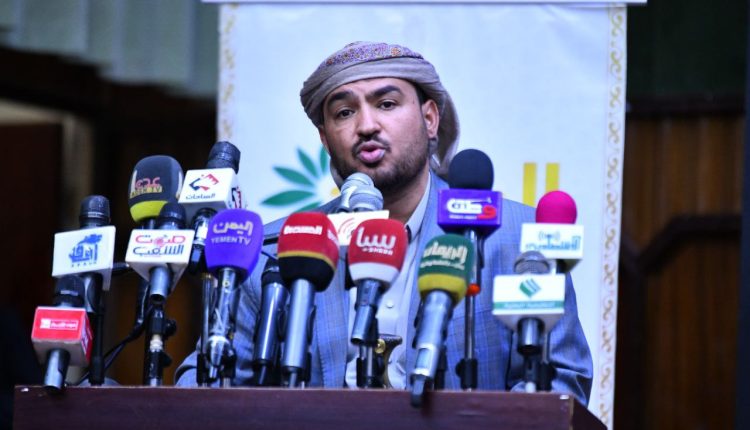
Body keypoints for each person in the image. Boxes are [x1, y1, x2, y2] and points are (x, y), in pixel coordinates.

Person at [176, 41, 592, 403]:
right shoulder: (278, 250)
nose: (366, 125)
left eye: (386, 104)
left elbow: (560, 384)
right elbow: (206, 386)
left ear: (430, 119)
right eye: (344, 112)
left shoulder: (515, 236)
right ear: (325, 140)